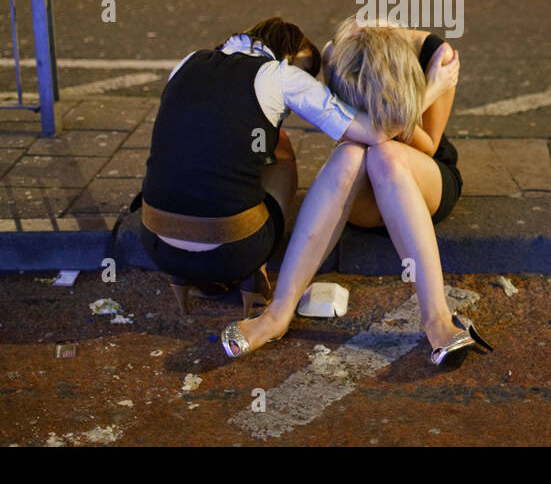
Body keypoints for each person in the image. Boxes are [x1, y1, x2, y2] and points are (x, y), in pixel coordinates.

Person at [223, 17, 490, 369]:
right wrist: (392, 116)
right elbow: (347, 132)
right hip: (364, 187)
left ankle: (438, 318)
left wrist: (429, 91)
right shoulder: (338, 55)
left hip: (422, 176)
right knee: (351, 152)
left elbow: (428, 145)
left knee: (386, 154)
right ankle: (277, 316)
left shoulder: (435, 56)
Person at [134, 17, 396, 324]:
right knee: (280, 147)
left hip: (155, 243)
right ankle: (255, 271)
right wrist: (433, 87)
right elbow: (374, 132)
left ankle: (184, 275)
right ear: (292, 55)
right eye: (306, 71)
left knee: (239, 145)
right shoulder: (281, 76)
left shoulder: (189, 61)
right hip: (235, 251)